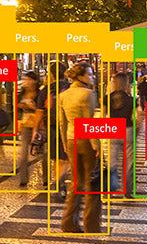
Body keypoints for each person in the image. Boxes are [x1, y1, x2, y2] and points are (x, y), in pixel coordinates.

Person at [57, 63, 101, 233]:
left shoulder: (64, 95)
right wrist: (96, 145)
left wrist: (65, 144)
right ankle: (91, 224)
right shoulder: (88, 94)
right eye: (89, 74)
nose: (92, 77)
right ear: (80, 76)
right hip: (86, 142)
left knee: (75, 182)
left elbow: (62, 123)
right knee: (92, 183)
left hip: (70, 140)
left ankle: (68, 222)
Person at [15, 70, 46, 187]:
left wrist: (33, 107)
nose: (26, 82)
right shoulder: (22, 92)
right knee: (23, 154)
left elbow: (42, 109)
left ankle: (46, 178)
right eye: (25, 79)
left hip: (39, 126)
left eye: (29, 79)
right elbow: (16, 106)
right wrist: (22, 105)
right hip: (26, 126)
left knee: (43, 154)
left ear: (35, 81)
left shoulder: (40, 93)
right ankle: (23, 179)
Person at [107, 72, 135, 197]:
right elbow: (136, 118)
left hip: (113, 129)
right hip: (128, 130)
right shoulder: (131, 100)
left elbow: (103, 117)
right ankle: (127, 192)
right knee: (129, 163)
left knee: (112, 162)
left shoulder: (107, 98)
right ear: (126, 84)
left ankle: (110, 190)